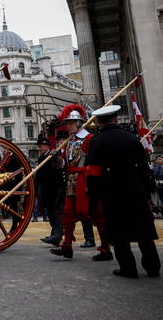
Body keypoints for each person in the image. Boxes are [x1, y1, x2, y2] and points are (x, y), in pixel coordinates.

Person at [87, 105, 161, 278]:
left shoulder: (97, 141)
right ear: (116, 119)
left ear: (99, 122)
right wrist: (147, 192)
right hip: (135, 188)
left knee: (119, 232)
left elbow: (94, 172)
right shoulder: (132, 138)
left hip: (111, 190)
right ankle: (152, 266)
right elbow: (144, 169)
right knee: (143, 231)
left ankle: (128, 268)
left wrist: (93, 198)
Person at [50, 104, 112, 261]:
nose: (69, 126)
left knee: (97, 214)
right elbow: (66, 163)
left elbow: (95, 162)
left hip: (87, 181)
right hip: (71, 182)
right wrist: (57, 160)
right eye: (68, 123)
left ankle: (106, 248)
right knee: (67, 214)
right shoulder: (69, 141)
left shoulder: (90, 139)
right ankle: (67, 247)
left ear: (79, 123)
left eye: (71, 123)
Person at [36, 136, 65, 246]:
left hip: (55, 189)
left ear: (47, 146)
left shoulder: (53, 156)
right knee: (51, 213)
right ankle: (55, 234)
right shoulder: (41, 158)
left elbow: (57, 166)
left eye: (41, 146)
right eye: (39, 146)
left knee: (56, 213)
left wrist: (54, 156)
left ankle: (57, 235)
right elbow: (38, 175)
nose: (39, 148)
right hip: (45, 190)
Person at [153, 155, 163, 220]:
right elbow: (154, 175)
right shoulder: (155, 167)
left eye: (160, 159)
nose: (158, 160)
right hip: (159, 187)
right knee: (161, 202)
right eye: (157, 159)